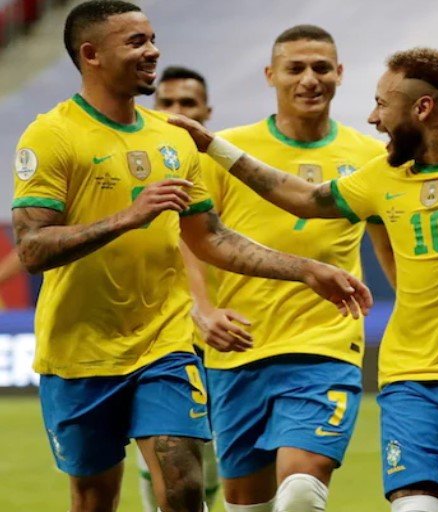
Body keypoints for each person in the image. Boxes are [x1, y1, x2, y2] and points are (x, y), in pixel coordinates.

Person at [11, 2, 370, 511]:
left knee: (182, 484)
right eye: (136, 42)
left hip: (164, 345)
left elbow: (213, 238)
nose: (153, 50)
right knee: (94, 499)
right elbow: (32, 248)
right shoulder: (52, 135)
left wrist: (306, 270)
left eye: (152, 37)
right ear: (91, 54)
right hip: (79, 351)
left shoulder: (172, 138)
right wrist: (127, 217)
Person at [173, 46, 438, 512]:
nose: (374, 118)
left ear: (422, 108)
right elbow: (305, 198)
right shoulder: (381, 177)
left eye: (382, 104)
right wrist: (214, 146)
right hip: (412, 379)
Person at [188, 25, 393, 512]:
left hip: (325, 346)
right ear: (270, 75)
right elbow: (192, 241)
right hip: (239, 349)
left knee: (301, 490)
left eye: (321, 68)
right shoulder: (228, 151)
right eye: (295, 68)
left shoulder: (369, 157)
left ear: (340, 74)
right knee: (246, 504)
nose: (309, 79)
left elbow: (390, 248)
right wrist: (203, 309)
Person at [130, 64, 221, 512]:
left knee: (210, 472)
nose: (177, 111)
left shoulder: (226, 166)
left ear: (207, 110)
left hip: (233, 335)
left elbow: (208, 242)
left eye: (188, 103)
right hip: (167, 330)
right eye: (167, 102)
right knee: (167, 461)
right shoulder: (146, 166)